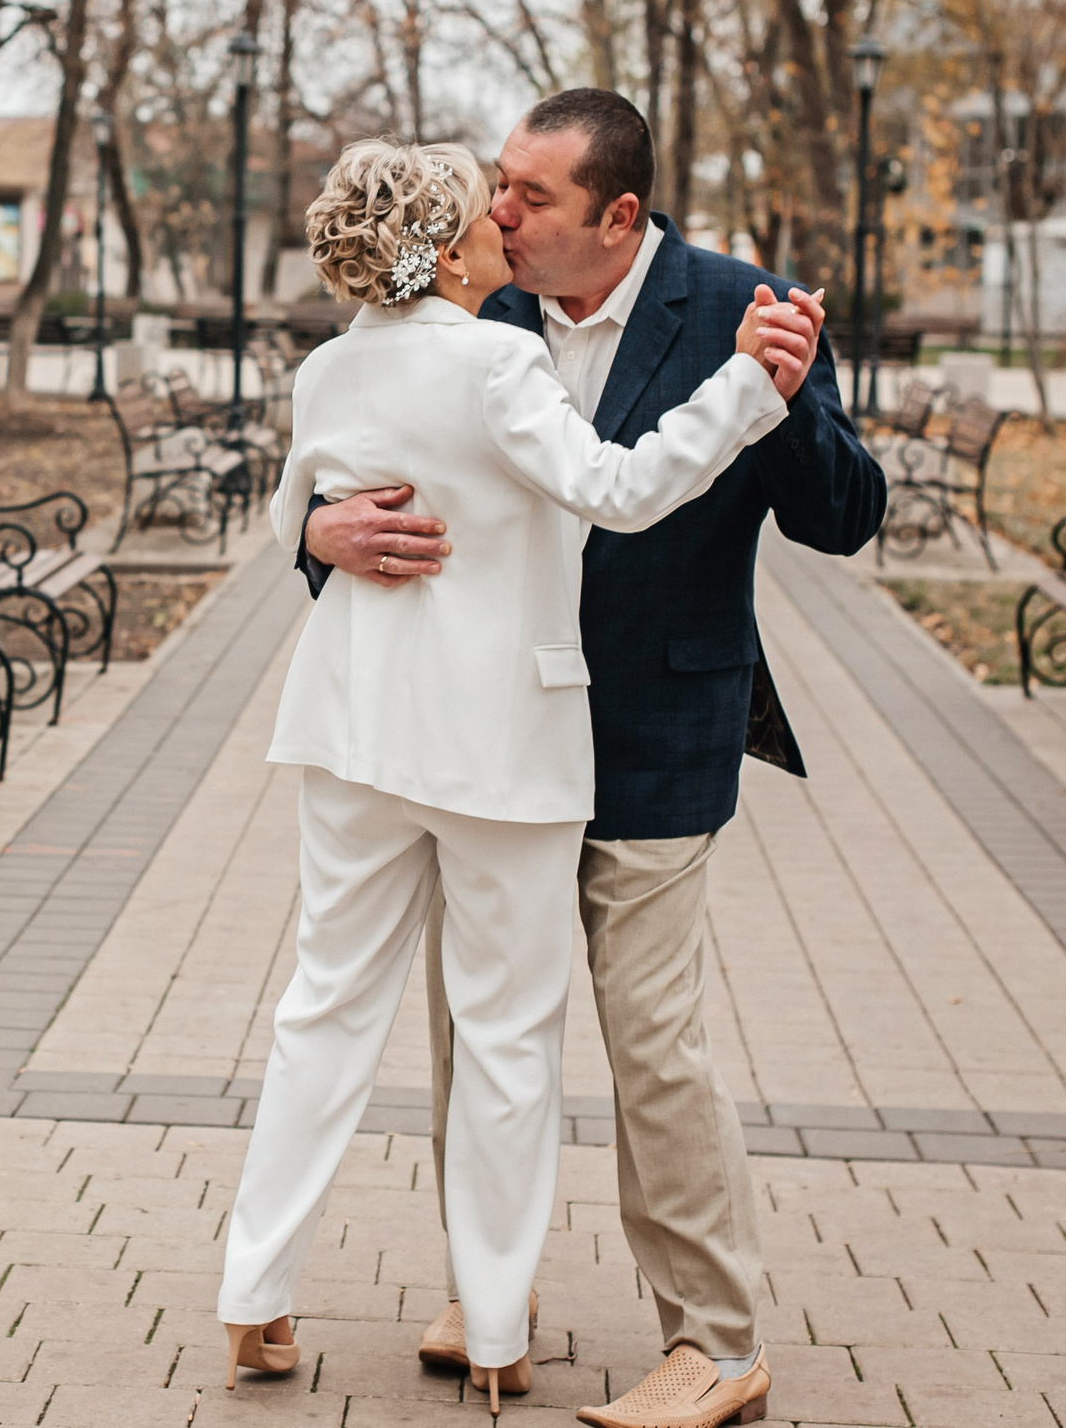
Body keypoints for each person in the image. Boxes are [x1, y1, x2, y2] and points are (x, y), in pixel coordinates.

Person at [300, 91, 886, 1428]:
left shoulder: (743, 304)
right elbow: (338, 460)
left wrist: (782, 391)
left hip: (655, 737)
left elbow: (844, 517)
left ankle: (717, 1339)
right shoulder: (457, 305)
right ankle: (483, 1289)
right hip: (484, 732)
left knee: (653, 1043)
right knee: (474, 1025)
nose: (493, 212)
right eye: (496, 185)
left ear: (619, 216)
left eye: (530, 196)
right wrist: (321, 530)